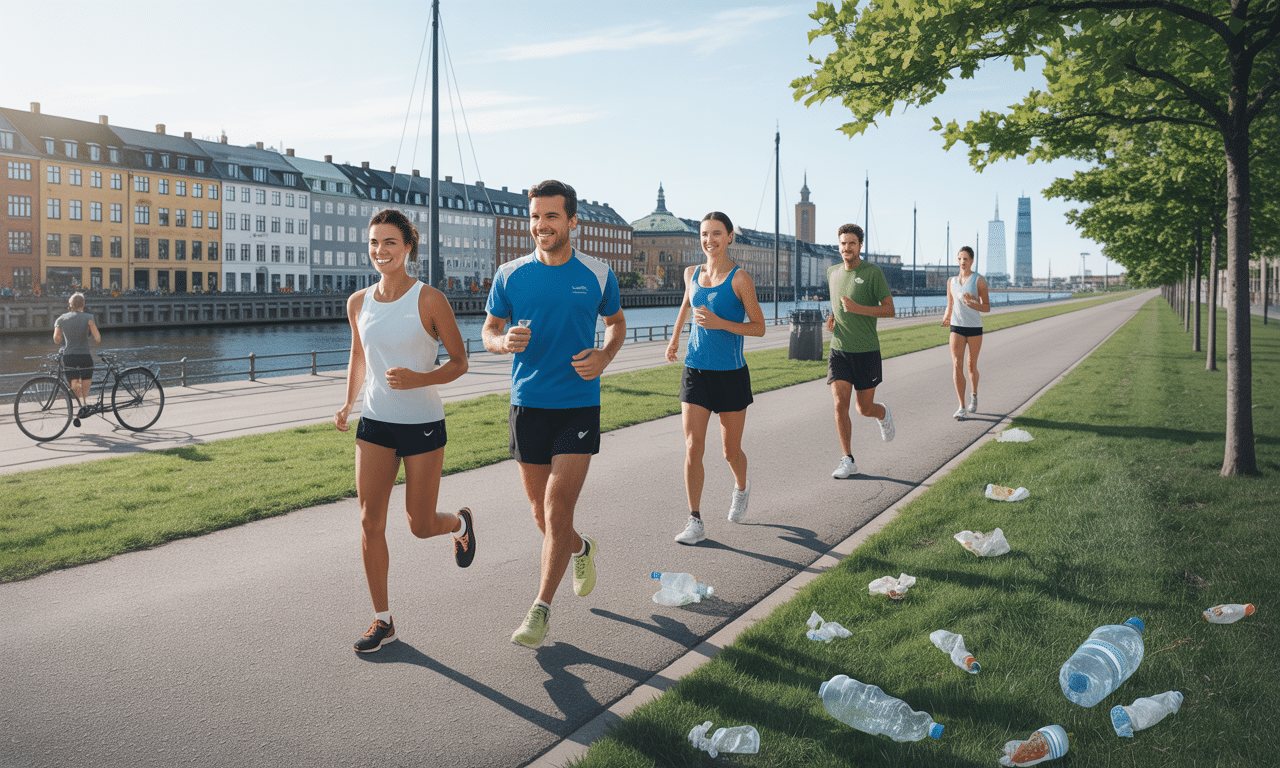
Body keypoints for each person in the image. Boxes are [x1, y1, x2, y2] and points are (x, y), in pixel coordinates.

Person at [482, 179, 625, 648]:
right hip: (527, 406)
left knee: (556, 507)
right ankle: (581, 548)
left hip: (578, 405)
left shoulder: (599, 273)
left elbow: (617, 325)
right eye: (535, 217)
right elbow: (488, 330)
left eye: (551, 216)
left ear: (572, 221)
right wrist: (502, 343)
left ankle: (540, 609)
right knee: (544, 519)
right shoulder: (510, 275)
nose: (540, 226)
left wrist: (604, 357)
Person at [334, 209, 475, 653]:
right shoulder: (359, 302)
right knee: (369, 521)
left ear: (408, 246)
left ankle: (458, 523)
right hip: (375, 422)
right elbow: (359, 357)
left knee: (418, 524)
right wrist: (348, 402)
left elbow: (459, 362)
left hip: (423, 423)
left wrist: (421, 378)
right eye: (374, 243)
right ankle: (383, 620)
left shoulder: (429, 300)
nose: (380, 251)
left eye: (390, 242)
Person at [665, 212, 766, 545]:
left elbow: (759, 328)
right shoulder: (691, 272)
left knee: (729, 452)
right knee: (693, 447)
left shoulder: (740, 279)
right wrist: (676, 337)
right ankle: (695, 520)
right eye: (705, 234)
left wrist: (722, 322)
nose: (710, 240)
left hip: (731, 375)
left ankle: (741, 487)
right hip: (695, 372)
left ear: (730, 237)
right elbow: (685, 303)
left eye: (717, 234)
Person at [826, 223, 896, 479]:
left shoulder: (873, 272)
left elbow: (889, 309)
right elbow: (838, 299)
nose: (847, 248)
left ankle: (883, 413)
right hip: (840, 349)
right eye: (843, 243)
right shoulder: (832, 272)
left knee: (863, 408)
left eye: (852, 243)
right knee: (839, 405)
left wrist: (858, 308)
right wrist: (833, 314)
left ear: (860, 246)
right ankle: (848, 459)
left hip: (866, 351)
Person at [940, 246, 990, 420]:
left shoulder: (979, 280)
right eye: (960, 259)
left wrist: (973, 304)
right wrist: (947, 316)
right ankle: (961, 406)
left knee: (971, 366)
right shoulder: (951, 281)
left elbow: (987, 307)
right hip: (957, 326)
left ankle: (974, 395)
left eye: (966, 259)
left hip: (974, 328)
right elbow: (950, 303)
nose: (962, 262)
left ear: (972, 260)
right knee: (956, 364)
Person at [53, 292, 101, 418]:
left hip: (69, 356)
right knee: (85, 388)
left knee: (74, 385)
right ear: (83, 304)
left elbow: (56, 339)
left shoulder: (61, 319)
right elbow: (98, 338)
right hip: (85, 355)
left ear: (70, 305)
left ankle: (78, 396)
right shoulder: (89, 317)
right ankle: (84, 403)